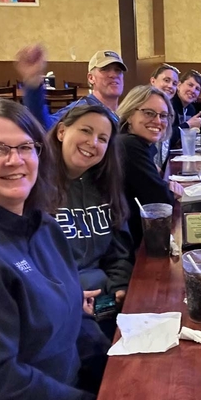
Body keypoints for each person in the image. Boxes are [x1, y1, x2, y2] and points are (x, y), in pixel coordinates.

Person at [0, 98, 149, 400]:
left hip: (68, 391)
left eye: (25, 146)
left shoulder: (45, 226)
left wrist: (114, 376)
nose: (15, 159)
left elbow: (78, 317)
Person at [47, 105, 134, 320]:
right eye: (86, 131)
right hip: (57, 306)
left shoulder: (106, 186)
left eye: (102, 139)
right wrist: (68, 297)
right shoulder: (32, 186)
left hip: (102, 301)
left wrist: (120, 289)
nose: (93, 142)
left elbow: (119, 253)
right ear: (61, 132)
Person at [117, 85, 181, 249]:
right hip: (127, 246)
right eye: (149, 113)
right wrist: (169, 191)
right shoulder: (129, 145)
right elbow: (161, 202)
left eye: (163, 115)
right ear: (130, 115)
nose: (158, 121)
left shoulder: (136, 143)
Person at [15, 44, 127, 130]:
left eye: (118, 70)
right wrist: (33, 81)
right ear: (91, 78)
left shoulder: (126, 112)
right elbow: (44, 125)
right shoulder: (81, 109)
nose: (113, 75)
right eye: (105, 69)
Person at [149, 63, 181, 167]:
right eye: (166, 80)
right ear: (153, 81)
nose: (170, 86)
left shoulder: (169, 111)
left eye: (174, 83)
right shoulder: (143, 106)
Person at [169, 69, 201, 153]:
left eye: (197, 89)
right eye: (190, 85)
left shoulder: (191, 109)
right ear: (179, 85)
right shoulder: (169, 105)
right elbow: (166, 138)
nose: (192, 90)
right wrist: (188, 124)